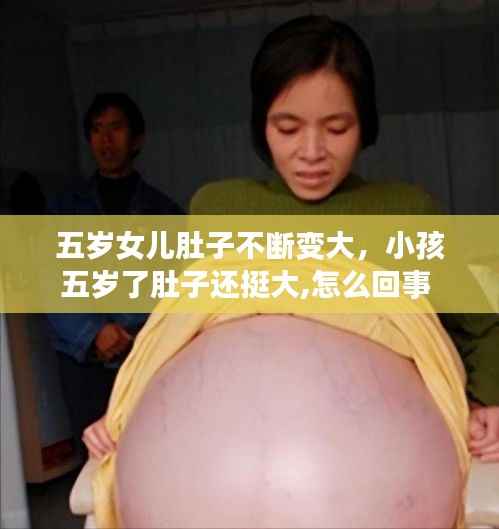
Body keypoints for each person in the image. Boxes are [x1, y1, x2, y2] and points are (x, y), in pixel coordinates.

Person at [48, 93, 184, 454]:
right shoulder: (63, 208)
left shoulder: (165, 212)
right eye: (96, 130)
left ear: (137, 139)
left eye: (116, 128)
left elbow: (177, 288)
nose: (105, 140)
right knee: (94, 459)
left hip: (142, 352)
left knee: (148, 452)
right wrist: (93, 333)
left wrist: (133, 333)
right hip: (82, 358)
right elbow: (50, 280)